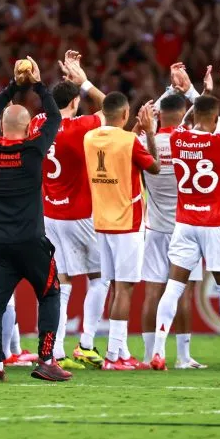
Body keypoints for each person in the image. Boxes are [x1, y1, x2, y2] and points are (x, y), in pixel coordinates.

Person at [150, 62, 220, 371]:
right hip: (214, 225)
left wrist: (195, 96)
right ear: (215, 120)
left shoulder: (177, 138)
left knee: (173, 287)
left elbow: (184, 120)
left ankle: (159, 352)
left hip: (184, 224)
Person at [0, 57, 70, 384]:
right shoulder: (33, 151)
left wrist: (12, 87)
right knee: (50, 292)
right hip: (31, 241)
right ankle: (46, 358)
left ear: (1, 128)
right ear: (29, 128)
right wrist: (36, 83)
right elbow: (55, 116)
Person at [32, 51, 108, 369]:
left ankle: (57, 349)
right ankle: (87, 344)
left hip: (50, 215)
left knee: (61, 283)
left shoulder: (38, 124)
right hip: (81, 214)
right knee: (99, 277)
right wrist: (84, 81)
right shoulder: (81, 127)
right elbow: (113, 110)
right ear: (75, 102)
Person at [82, 93, 158, 370]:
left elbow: (120, 146)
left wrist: (136, 129)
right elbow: (155, 167)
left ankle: (121, 351)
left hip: (101, 221)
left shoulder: (90, 138)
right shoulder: (132, 142)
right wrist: (148, 133)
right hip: (128, 222)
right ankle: (114, 357)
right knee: (125, 288)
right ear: (125, 115)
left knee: (115, 285)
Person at [141, 70, 206, 370]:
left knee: (153, 291)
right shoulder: (189, 140)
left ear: (159, 114)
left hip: (154, 227)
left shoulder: (143, 141)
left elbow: (133, 132)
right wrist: (191, 89)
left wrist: (148, 119)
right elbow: (211, 119)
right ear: (183, 115)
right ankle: (183, 356)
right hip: (185, 226)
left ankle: (147, 354)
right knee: (183, 293)